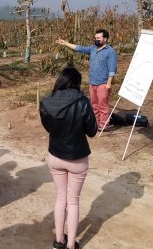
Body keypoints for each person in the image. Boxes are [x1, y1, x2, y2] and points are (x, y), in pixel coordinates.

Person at [40, 67, 97, 249]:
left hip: (55, 155)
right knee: (73, 201)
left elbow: (48, 127)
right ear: (77, 83)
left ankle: (59, 240)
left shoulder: (46, 102)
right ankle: (71, 244)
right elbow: (92, 131)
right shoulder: (82, 102)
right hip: (77, 158)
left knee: (60, 198)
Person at [56, 29, 117, 130]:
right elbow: (79, 48)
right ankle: (96, 123)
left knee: (103, 105)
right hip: (92, 82)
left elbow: (112, 69)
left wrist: (109, 83)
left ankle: (104, 125)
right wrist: (66, 43)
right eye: (95, 37)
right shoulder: (92, 49)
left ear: (105, 39)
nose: (96, 39)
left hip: (103, 83)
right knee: (94, 104)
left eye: (98, 38)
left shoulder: (110, 52)